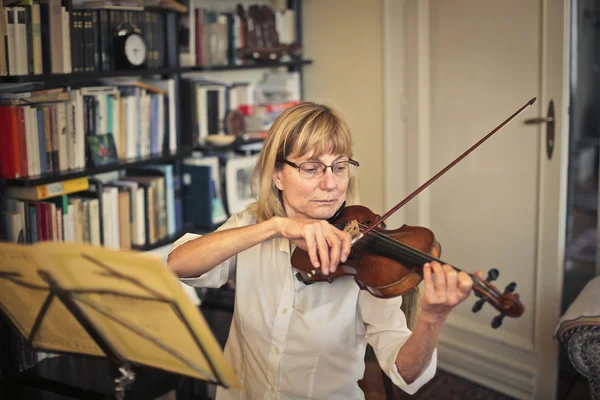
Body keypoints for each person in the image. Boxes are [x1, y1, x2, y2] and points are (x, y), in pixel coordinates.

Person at [167, 102, 483, 400]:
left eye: (340, 166)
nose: (330, 184)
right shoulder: (252, 225)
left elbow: (406, 374)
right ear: (277, 174)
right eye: (312, 167)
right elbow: (178, 265)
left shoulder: (368, 263)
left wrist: (432, 319)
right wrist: (274, 227)